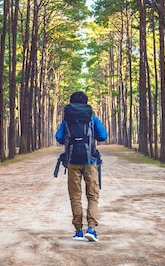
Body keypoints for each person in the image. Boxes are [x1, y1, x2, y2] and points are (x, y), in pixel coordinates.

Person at [55, 91, 108, 242]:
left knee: (75, 196)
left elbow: (59, 137)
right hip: (90, 162)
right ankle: (91, 228)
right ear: (86, 103)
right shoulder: (91, 118)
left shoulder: (67, 119)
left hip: (72, 162)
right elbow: (103, 136)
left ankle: (78, 231)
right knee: (92, 196)